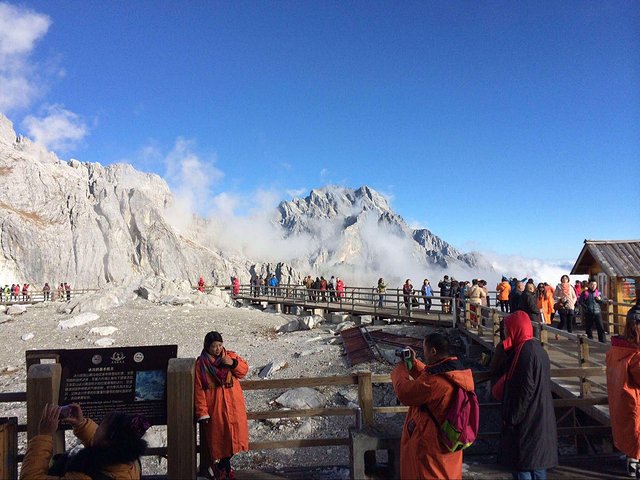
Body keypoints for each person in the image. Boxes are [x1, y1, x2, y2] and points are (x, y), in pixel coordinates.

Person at [391, 332, 475, 479]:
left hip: (430, 447)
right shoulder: (456, 371)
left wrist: (401, 369)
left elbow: (405, 393)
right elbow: (428, 377)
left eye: (425, 350)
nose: (424, 354)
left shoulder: (434, 382)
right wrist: (413, 363)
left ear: (433, 351)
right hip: (449, 441)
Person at [493, 311, 558, 479]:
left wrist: (511, 418)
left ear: (516, 329)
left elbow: (524, 391)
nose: (506, 333)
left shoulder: (525, 354)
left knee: (523, 466)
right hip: (539, 417)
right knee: (536, 465)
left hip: (526, 423)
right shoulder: (535, 349)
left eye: (508, 330)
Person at [20, 403, 149, 479]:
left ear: (107, 441)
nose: (97, 428)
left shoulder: (85, 477)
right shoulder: (130, 462)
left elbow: (31, 477)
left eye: (101, 427)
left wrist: (44, 435)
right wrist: (81, 424)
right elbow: (101, 444)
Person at [195, 331, 249, 480]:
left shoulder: (230, 356)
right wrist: (202, 412)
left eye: (220, 345)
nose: (217, 349)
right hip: (216, 407)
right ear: (207, 346)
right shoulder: (201, 364)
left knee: (235, 438)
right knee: (222, 439)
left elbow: (244, 371)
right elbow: (199, 390)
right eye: (214, 346)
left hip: (234, 405)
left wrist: (234, 364)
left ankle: (222, 467)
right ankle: (223, 468)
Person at [606, 287, 640, 477]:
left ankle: (631, 466)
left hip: (621, 403)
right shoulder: (634, 355)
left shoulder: (616, 349)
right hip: (635, 404)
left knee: (631, 444)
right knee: (636, 441)